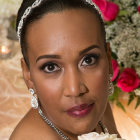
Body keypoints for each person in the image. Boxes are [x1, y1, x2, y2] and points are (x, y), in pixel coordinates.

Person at [10, 0, 121, 139]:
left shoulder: (94, 109)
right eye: (51, 67)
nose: (75, 90)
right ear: (28, 75)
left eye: (88, 60)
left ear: (108, 59)